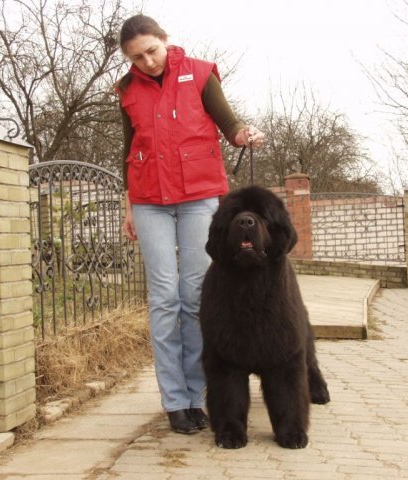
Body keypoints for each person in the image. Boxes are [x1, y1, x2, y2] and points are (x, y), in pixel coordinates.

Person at [115, 14, 265, 435]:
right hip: (149, 203)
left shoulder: (200, 74)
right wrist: (129, 205)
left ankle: (201, 394)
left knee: (196, 297)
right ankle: (175, 401)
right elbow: (130, 151)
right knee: (164, 299)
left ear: (165, 40)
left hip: (199, 200)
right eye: (136, 57)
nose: (147, 61)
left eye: (152, 50)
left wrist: (243, 135)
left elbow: (229, 124)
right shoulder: (127, 90)